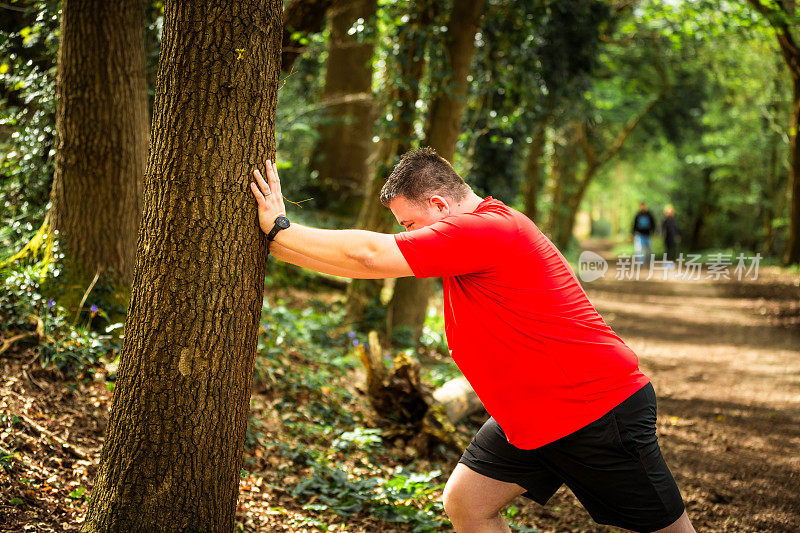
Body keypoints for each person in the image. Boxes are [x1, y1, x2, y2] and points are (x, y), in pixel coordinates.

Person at [249, 147, 696, 533]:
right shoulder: (473, 238)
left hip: (593, 408)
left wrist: (283, 228)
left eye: (408, 223)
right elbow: (361, 266)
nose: (407, 235)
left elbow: (370, 255)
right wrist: (274, 238)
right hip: (533, 416)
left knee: (666, 528)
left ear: (441, 206)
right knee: (468, 503)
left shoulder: (488, 230)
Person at [631, 201, 657, 266]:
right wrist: (633, 233)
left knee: (649, 250)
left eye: (644, 206)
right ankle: (640, 263)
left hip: (648, 234)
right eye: (641, 206)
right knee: (639, 250)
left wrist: (655, 232)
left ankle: (649, 263)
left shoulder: (649, 214)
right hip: (639, 234)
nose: (643, 207)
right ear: (640, 207)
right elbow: (634, 224)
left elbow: (653, 224)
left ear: (645, 206)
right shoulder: (638, 215)